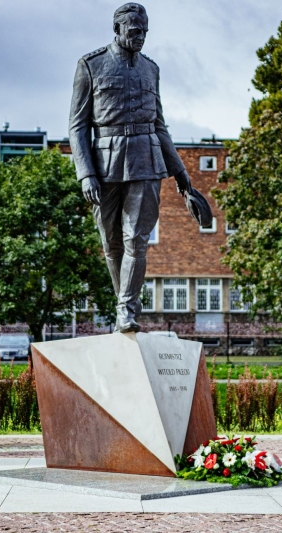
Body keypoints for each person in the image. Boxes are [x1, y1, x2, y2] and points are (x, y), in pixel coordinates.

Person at [68, 2, 192, 333]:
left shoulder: (152, 69)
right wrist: (86, 173)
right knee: (112, 244)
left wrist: (182, 176)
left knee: (136, 239)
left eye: (144, 33)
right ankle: (122, 302)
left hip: (146, 162)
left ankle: (127, 308)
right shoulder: (90, 65)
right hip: (105, 166)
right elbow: (78, 127)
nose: (140, 39)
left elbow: (160, 126)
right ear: (118, 30)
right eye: (135, 32)